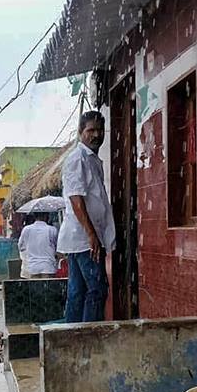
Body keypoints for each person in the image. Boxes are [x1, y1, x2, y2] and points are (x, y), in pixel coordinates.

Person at [58, 111, 116, 322]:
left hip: (83, 237)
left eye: (100, 130)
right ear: (80, 132)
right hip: (84, 239)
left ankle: (71, 338)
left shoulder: (91, 159)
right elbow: (76, 199)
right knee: (98, 289)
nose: (96, 135)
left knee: (78, 292)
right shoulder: (78, 159)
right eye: (91, 130)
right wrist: (92, 235)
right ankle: (88, 339)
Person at [18, 212, 59, 278]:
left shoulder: (26, 229)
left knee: (35, 287)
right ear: (46, 216)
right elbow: (57, 247)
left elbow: (20, 247)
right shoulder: (52, 229)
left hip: (32, 267)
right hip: (48, 266)